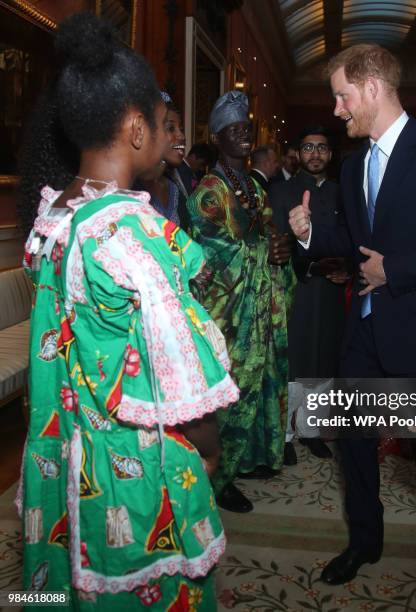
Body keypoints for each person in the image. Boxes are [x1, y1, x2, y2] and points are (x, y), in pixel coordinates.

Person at [18, 13, 238, 609]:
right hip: (130, 473)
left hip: (68, 457)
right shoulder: (132, 234)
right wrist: (209, 451)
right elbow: (183, 373)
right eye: (162, 127)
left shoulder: (54, 217)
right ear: (137, 128)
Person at [288, 43, 416, 585]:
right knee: (354, 438)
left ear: (371, 88)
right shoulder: (353, 166)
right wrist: (309, 235)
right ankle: (364, 542)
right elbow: (352, 241)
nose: (338, 109)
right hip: (364, 327)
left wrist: (398, 270)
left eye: (343, 96)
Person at [187, 91, 296, 513]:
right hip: (227, 312)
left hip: (259, 303)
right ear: (217, 138)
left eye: (246, 128)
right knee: (230, 388)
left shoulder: (251, 184)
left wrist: (281, 248)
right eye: (234, 130)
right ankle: (217, 477)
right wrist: (262, 250)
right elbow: (213, 257)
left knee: (259, 379)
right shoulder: (209, 194)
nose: (244, 136)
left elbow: (265, 232)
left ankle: (243, 461)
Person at [269, 125, 349, 464]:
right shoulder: (281, 191)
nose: (314, 154)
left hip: (330, 291)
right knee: (295, 362)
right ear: (298, 154)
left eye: (321, 148)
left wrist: (347, 269)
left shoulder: (343, 193)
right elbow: (271, 244)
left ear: (330, 155)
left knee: (323, 360)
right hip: (295, 291)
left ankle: (311, 431)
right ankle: (285, 436)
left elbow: (351, 240)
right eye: (308, 147)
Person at [136, 91, 193, 232]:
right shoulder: (131, 188)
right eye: (171, 128)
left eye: (180, 128)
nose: (181, 136)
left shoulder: (176, 190)